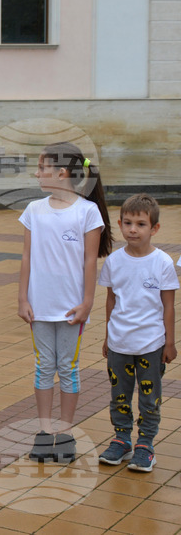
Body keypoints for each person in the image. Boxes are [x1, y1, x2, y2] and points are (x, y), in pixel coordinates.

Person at [17, 141, 112, 463]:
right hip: (39, 306)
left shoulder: (87, 211)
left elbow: (89, 261)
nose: (36, 172)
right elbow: (27, 257)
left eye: (41, 167)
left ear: (61, 173)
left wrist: (88, 302)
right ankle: (44, 434)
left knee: (68, 369)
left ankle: (66, 434)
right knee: (44, 367)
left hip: (72, 308)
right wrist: (22, 298)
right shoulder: (34, 210)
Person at [96, 194, 177, 473]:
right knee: (119, 395)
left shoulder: (163, 262)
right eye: (128, 223)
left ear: (154, 228)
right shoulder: (114, 262)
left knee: (149, 397)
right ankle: (121, 440)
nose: (133, 229)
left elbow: (168, 305)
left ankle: (145, 445)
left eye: (141, 224)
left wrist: (170, 341)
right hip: (119, 344)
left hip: (151, 345)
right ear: (119, 224)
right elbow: (111, 300)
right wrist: (108, 336)